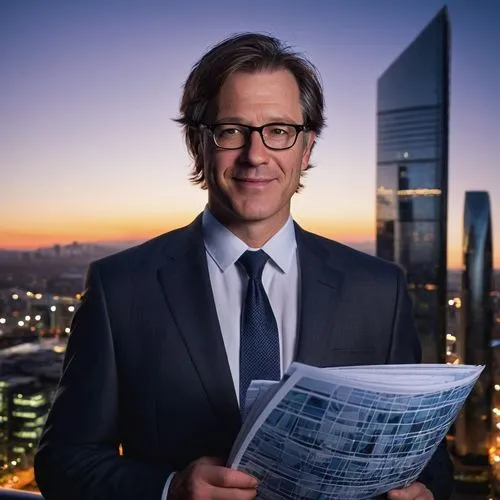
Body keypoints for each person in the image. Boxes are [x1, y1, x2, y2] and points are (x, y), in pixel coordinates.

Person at [34, 33, 453, 500]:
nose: (256, 156)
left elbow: (428, 457)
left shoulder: (379, 289)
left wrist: (426, 493)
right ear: (199, 144)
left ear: (306, 148)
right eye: (231, 130)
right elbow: (63, 462)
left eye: (279, 131)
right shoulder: (121, 288)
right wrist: (169, 490)